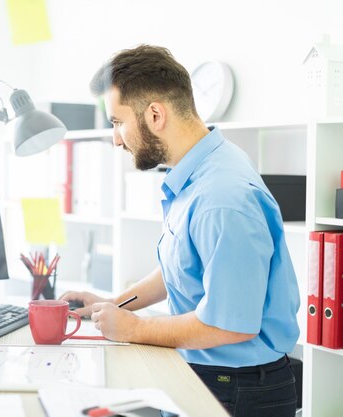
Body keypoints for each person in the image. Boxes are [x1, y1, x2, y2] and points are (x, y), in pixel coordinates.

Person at [61, 44, 300, 417]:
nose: (116, 139)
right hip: (211, 376)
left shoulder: (222, 196)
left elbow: (228, 326)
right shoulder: (197, 173)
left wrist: (134, 329)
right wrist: (112, 304)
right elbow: (182, 266)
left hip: (236, 390)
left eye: (117, 122)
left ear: (155, 114)